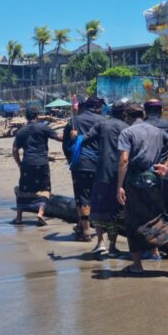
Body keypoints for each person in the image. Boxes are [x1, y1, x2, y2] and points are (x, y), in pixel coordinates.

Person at [116, 103, 168, 277]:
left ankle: (137, 265)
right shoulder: (156, 131)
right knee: (158, 217)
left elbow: (124, 160)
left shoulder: (127, 132)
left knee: (132, 221)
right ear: (143, 115)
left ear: (127, 116)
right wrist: (167, 166)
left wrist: (119, 187)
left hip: (135, 182)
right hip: (154, 180)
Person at [85, 102, 131, 256]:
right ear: (124, 113)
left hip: (103, 171)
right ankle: (112, 246)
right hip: (122, 174)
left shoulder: (102, 124)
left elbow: (85, 139)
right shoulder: (127, 127)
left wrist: (75, 137)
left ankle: (100, 242)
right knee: (116, 209)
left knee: (98, 206)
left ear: (111, 111)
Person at [11, 108, 62, 226]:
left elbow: (14, 150)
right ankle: (40, 213)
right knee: (44, 188)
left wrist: (19, 164)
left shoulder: (21, 131)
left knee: (23, 188)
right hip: (41, 163)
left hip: (27, 163)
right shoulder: (43, 127)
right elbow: (59, 138)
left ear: (26, 118)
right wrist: (73, 136)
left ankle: (18, 217)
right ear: (37, 117)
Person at [63, 98, 104, 241]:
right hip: (100, 164)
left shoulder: (74, 121)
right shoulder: (103, 120)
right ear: (96, 108)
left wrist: (71, 159)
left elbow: (65, 145)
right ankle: (92, 228)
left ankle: (86, 230)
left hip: (81, 164)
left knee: (82, 196)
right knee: (97, 196)